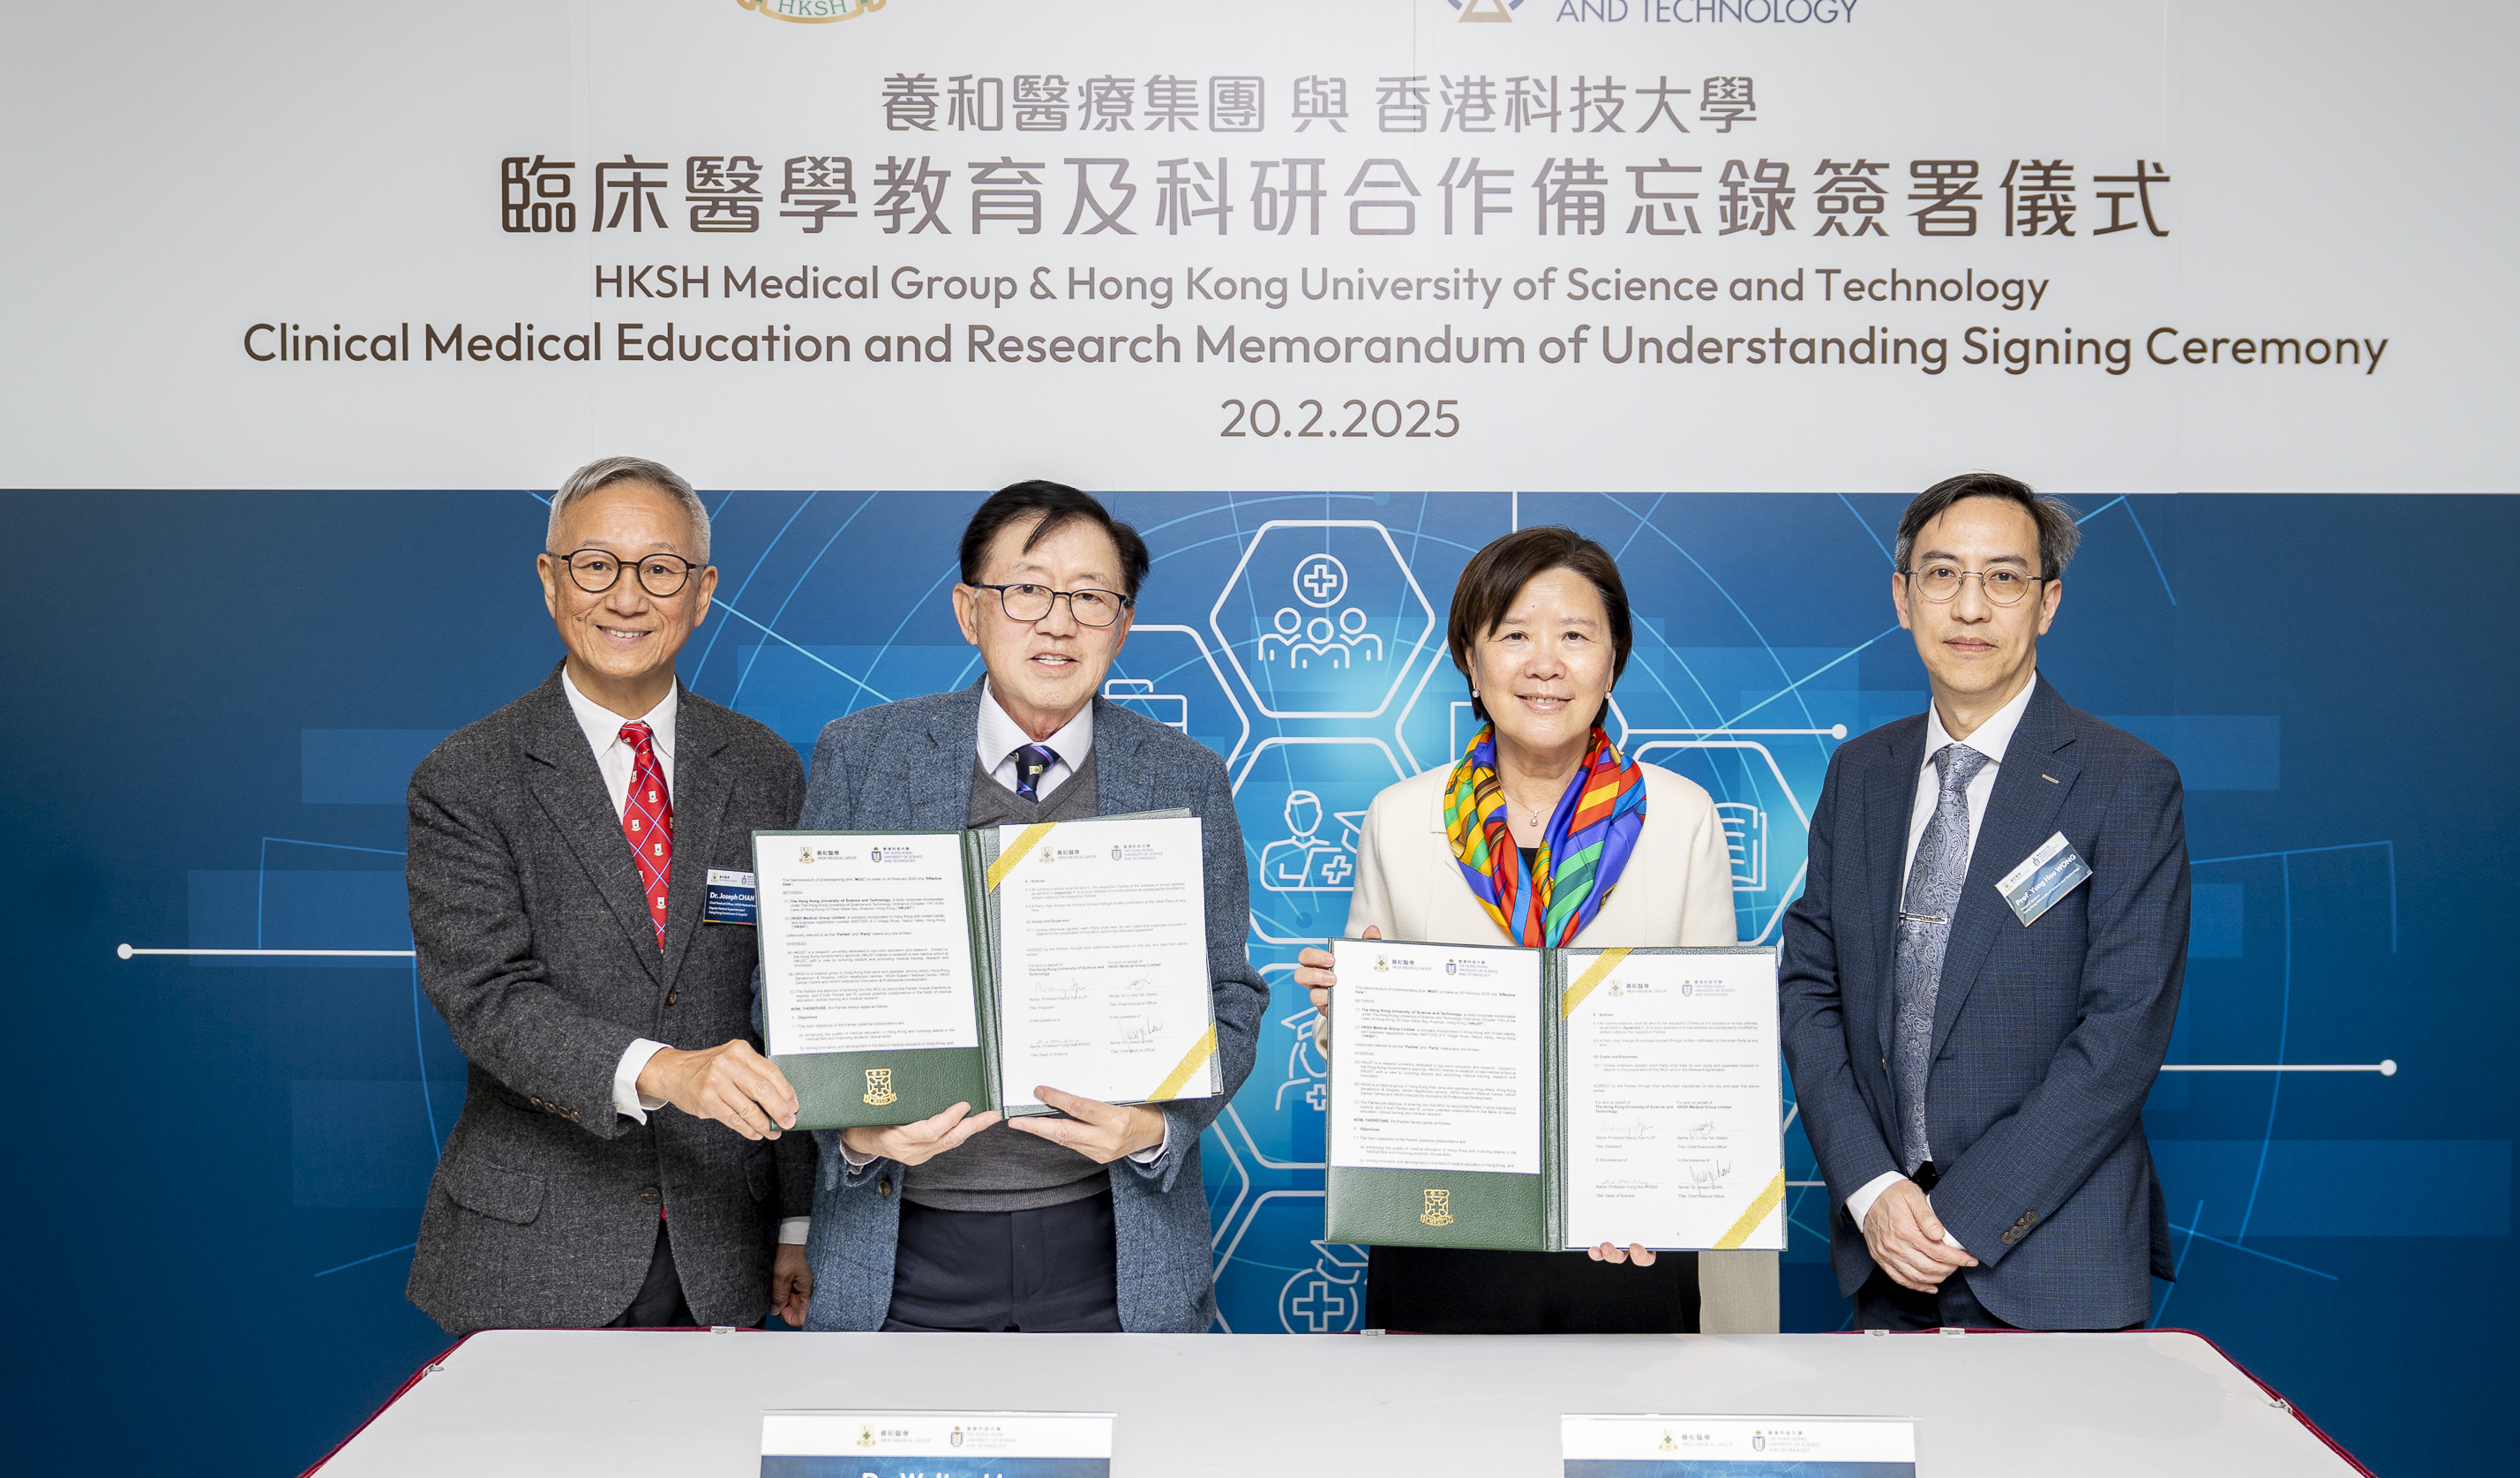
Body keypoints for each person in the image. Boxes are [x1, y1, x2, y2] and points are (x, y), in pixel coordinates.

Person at [794, 480, 1266, 1332]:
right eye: (1027, 589)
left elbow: (1231, 997)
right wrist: (856, 1137)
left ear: (1121, 625)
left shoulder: (1184, 777)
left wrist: (1156, 1127)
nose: (1058, 621)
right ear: (969, 611)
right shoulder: (863, 757)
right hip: (903, 1244)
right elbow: (790, 989)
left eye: (1090, 597)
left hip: (1112, 1243)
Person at [1294, 526, 1777, 1333]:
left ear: (1613, 661)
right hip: (1445, 1216)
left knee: (1621, 1438)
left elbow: (1709, 1047)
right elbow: (1358, 1054)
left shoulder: (1681, 816)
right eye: (1514, 635)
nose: (1545, 663)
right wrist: (1348, 1014)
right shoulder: (1401, 817)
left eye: (1576, 637)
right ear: (1471, 664)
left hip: (1627, 1230)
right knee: (1443, 1441)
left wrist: (1663, 1184)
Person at [404, 456, 814, 1334]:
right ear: (551, 580)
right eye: (597, 565)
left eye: (659, 569)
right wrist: (667, 1070)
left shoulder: (763, 766)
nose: (626, 597)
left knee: (708, 1473)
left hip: (723, 1241)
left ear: (702, 593)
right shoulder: (467, 777)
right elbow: (489, 999)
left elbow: (788, 1002)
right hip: (535, 1248)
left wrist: (796, 1217)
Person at [1781, 471, 2189, 1332]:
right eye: (1942, 574)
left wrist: (1959, 1215)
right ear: (1902, 596)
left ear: (2046, 604)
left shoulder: (2124, 782)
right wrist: (1874, 1188)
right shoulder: (1862, 775)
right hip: (1889, 1255)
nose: (1970, 607)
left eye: (2003, 577)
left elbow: (2122, 1031)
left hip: (2054, 1257)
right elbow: (1809, 991)